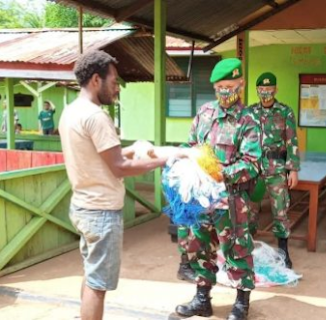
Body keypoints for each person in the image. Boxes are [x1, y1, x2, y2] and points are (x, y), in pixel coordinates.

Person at [59, 50, 167, 320]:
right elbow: (118, 166)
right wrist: (162, 160)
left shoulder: (71, 112)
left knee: (91, 273)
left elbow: (103, 157)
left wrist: (134, 149)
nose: (117, 87)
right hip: (102, 212)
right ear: (96, 79)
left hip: (83, 206)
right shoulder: (96, 117)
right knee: (99, 286)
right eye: (114, 81)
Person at [175, 58, 261, 320]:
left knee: (237, 249)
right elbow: (191, 146)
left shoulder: (248, 120)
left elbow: (252, 162)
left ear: (241, 84)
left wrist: (221, 172)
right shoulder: (204, 113)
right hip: (202, 197)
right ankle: (202, 299)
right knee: (200, 247)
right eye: (219, 87)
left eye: (229, 86)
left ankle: (241, 304)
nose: (224, 92)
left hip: (232, 199)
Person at [247, 72, 300, 268]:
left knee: (280, 210)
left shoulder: (285, 111)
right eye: (262, 90)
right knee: (250, 210)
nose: (265, 93)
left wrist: (293, 169)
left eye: (269, 89)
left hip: (277, 169)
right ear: (257, 90)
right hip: (253, 169)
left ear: (275, 90)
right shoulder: (250, 112)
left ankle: (284, 252)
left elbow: (292, 140)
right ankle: (248, 249)